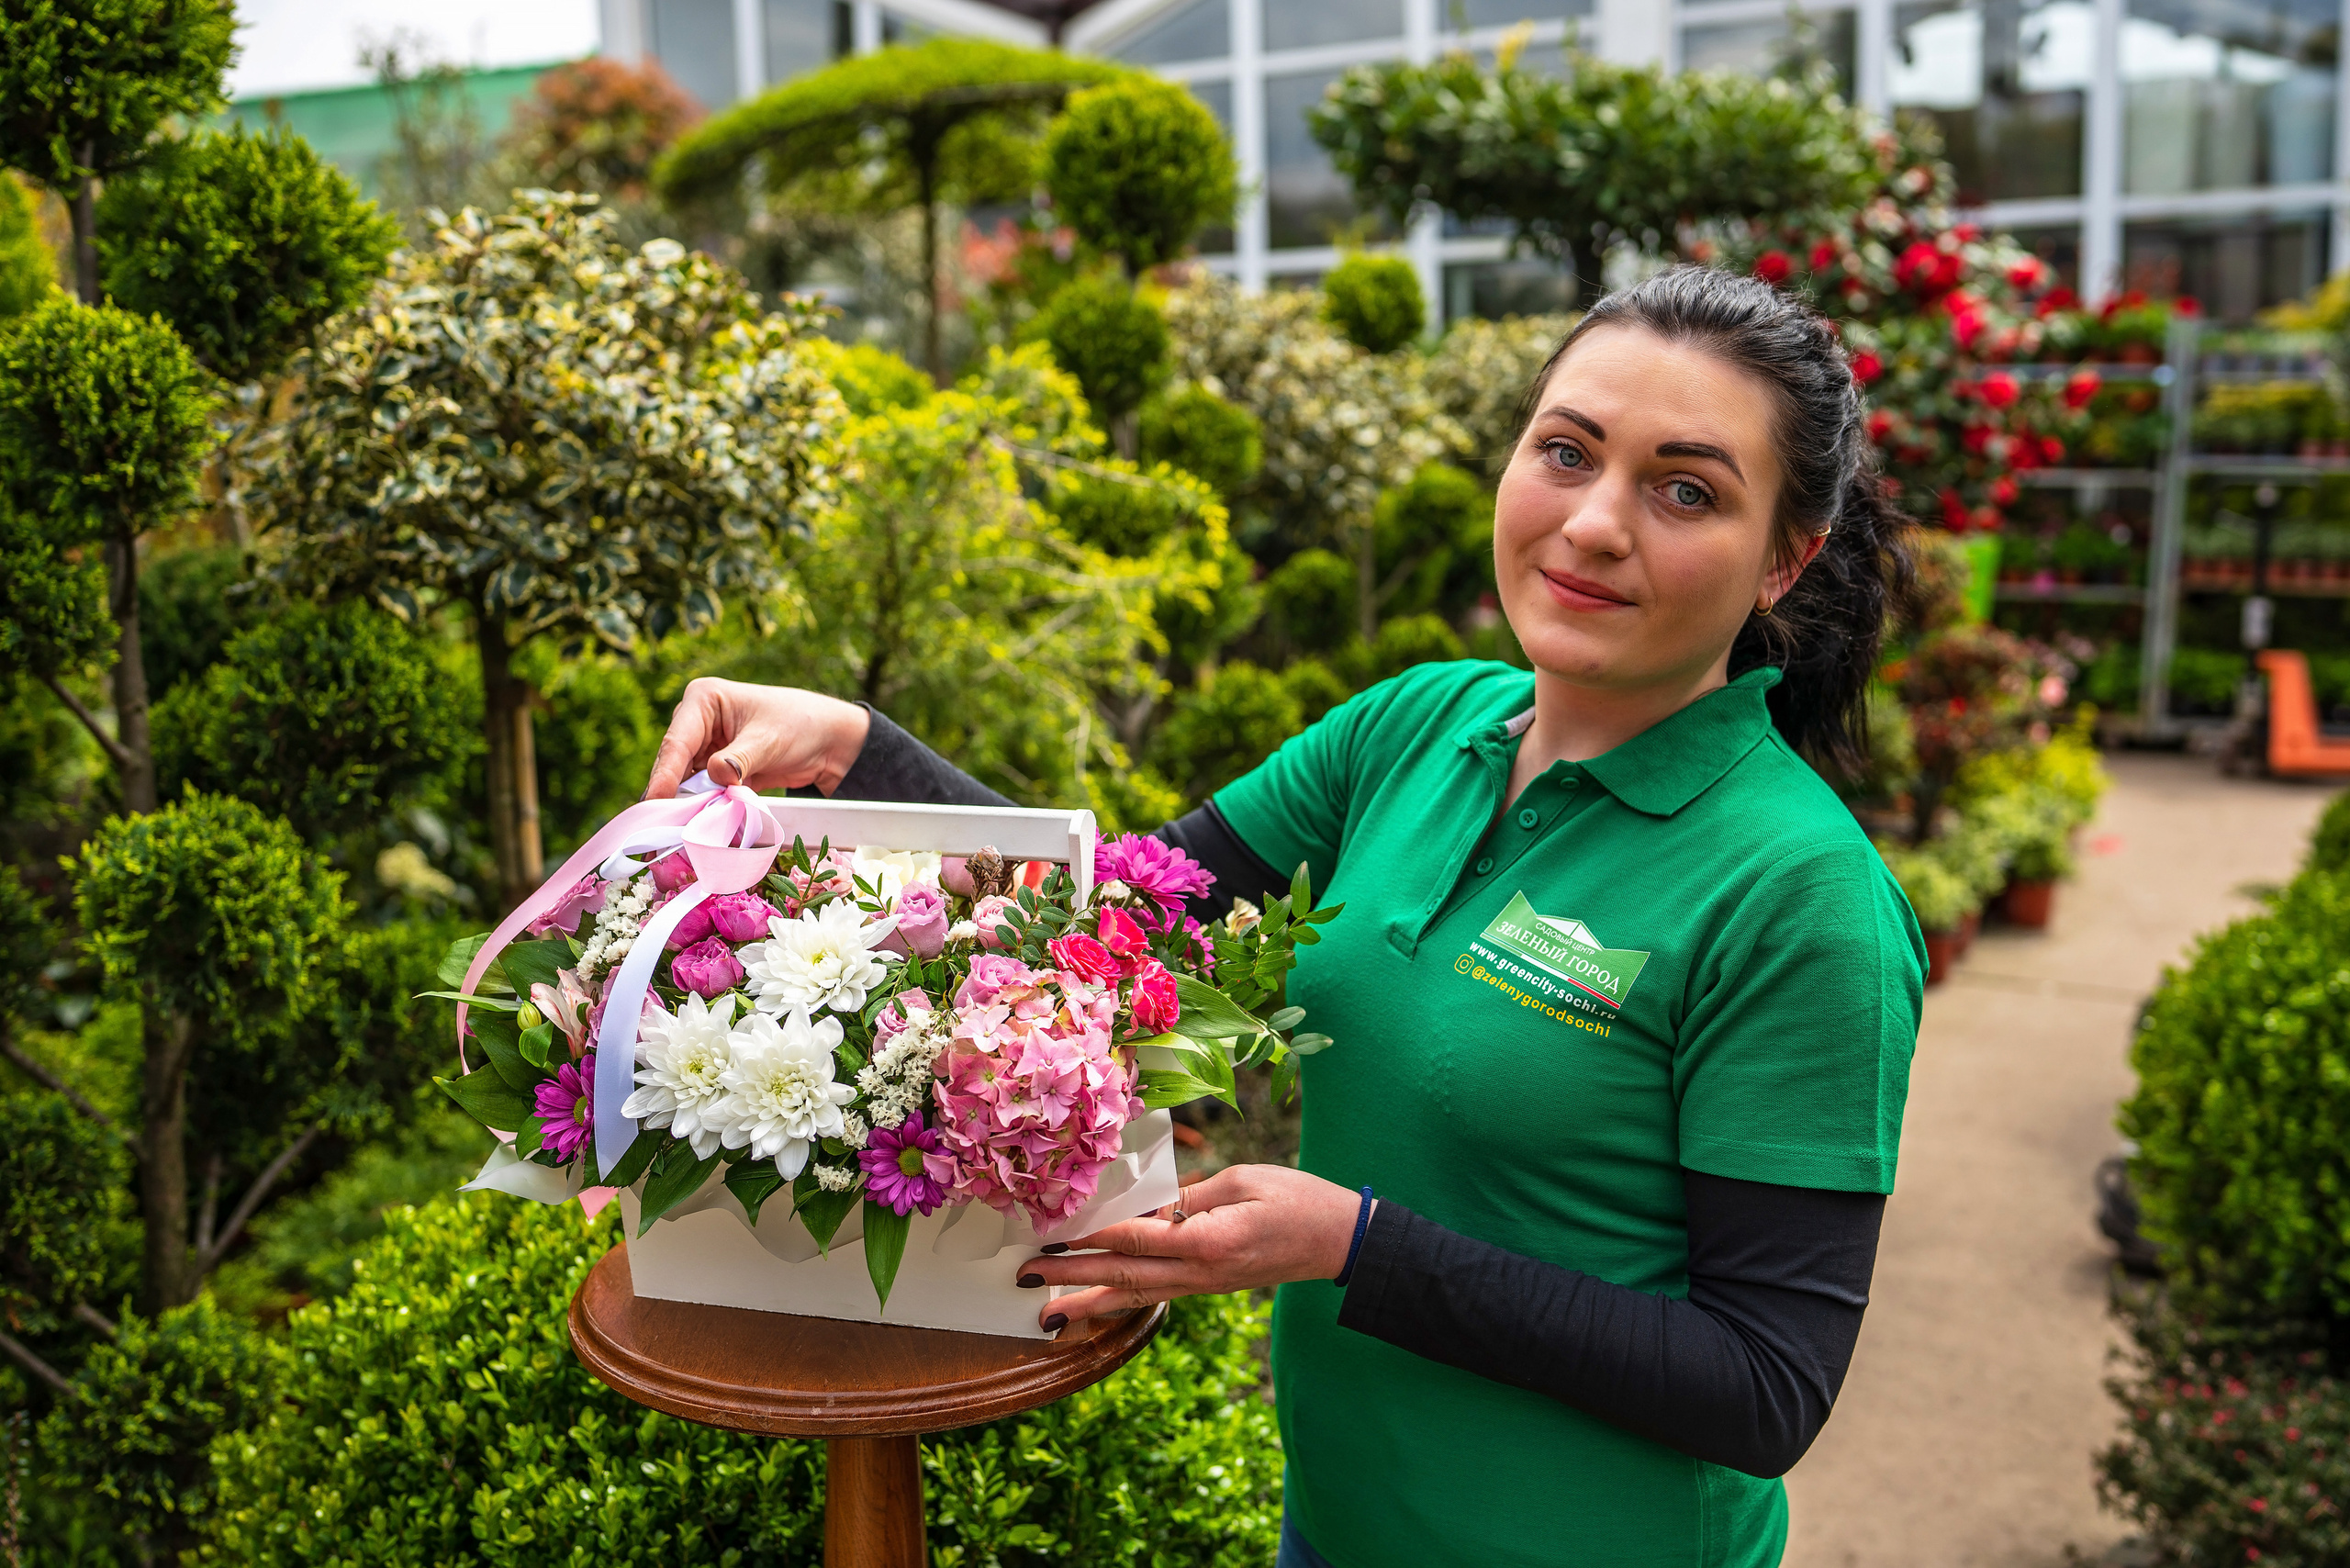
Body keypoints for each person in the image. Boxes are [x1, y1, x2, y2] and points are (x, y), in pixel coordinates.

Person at [642, 267, 1925, 1568]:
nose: (1594, 524)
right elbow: (1116, 912)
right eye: (1567, 452)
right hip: (1335, 1525)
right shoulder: (1415, 728)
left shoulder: (1801, 898)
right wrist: (855, 745)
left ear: (1786, 557)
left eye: (1686, 490)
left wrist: (1356, 1247)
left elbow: (1764, 1385)